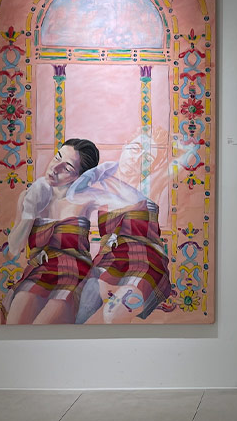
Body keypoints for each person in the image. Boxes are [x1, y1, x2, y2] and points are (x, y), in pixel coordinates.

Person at [70, 131, 172, 324]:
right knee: (86, 305)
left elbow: (183, 160)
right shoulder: (100, 184)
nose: (137, 159)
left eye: (147, 158)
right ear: (125, 144)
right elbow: (73, 195)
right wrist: (100, 172)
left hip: (146, 262)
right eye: (135, 149)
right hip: (110, 260)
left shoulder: (150, 186)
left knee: (114, 313)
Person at [3, 138, 100, 324]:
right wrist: (30, 212)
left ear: (80, 178)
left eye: (67, 168)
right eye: (57, 157)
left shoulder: (88, 200)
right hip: (40, 272)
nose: (55, 168)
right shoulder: (30, 196)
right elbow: (14, 249)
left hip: (75, 273)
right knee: (17, 318)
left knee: (45, 322)